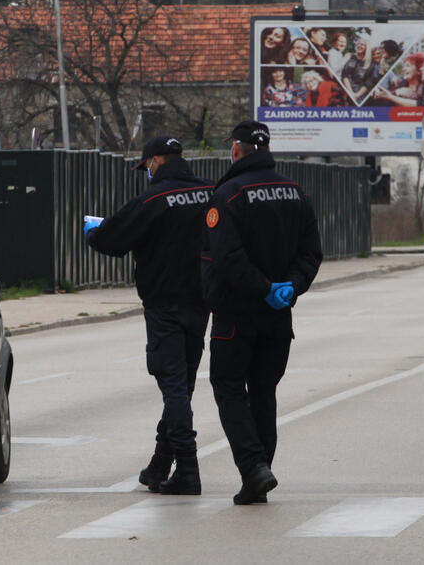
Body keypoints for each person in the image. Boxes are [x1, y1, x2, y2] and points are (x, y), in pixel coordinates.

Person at [85, 135, 214, 495]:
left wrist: (93, 232)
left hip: (165, 305)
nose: (147, 172)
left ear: (155, 161)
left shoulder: (152, 199)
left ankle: (188, 469)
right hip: (201, 302)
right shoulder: (210, 192)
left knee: (173, 388)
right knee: (182, 387)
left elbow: (112, 241)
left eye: (146, 167)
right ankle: (159, 465)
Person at [201, 120, 322, 505]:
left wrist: (261, 289)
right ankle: (259, 474)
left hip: (237, 314)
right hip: (278, 315)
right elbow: (311, 253)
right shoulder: (295, 192)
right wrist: (290, 286)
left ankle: (254, 467)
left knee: (230, 388)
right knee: (264, 393)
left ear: (237, 149)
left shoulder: (229, 195)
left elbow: (227, 258)